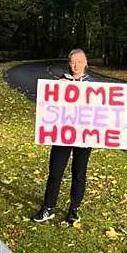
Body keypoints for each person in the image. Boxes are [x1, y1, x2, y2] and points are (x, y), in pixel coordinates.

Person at [32, 49, 94, 224]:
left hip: (84, 136)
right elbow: (48, 106)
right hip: (62, 135)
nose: (76, 66)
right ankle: (48, 207)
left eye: (79, 62)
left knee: (79, 173)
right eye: (73, 62)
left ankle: (74, 209)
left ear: (85, 63)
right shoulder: (61, 82)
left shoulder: (93, 85)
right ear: (69, 63)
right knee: (56, 171)